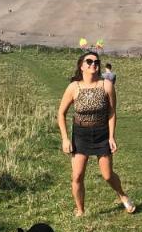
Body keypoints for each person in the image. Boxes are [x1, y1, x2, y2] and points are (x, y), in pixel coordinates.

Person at [57, 51, 136, 217]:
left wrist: (111, 136)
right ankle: (80, 210)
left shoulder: (106, 85)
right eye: (89, 61)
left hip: (101, 134)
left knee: (107, 175)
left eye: (96, 62)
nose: (94, 64)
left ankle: (122, 195)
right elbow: (61, 113)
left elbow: (112, 112)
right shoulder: (73, 87)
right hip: (80, 135)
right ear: (81, 65)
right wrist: (65, 138)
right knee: (77, 176)